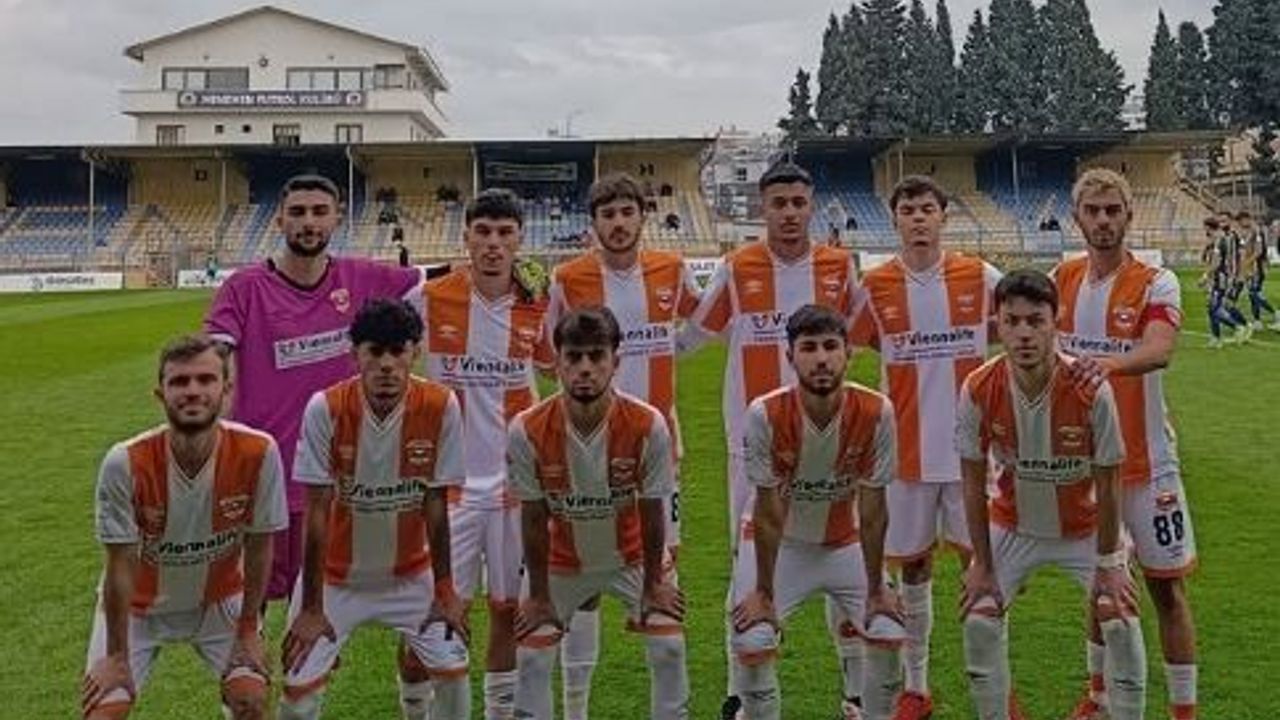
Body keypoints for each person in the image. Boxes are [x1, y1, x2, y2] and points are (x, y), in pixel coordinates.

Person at [686, 160, 862, 720]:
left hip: (832, 444)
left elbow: (869, 333)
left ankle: (855, 693)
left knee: (844, 550)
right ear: (762, 209)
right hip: (753, 445)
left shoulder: (839, 267)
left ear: (812, 207)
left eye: (798, 203)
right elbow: (689, 337)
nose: (789, 213)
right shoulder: (737, 267)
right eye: (778, 203)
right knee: (745, 562)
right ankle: (739, 695)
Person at [203, 174, 422, 605]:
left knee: (317, 608)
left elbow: (431, 280)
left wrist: (516, 276)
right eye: (298, 212)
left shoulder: (359, 276)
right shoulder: (244, 288)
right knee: (246, 606)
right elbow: (214, 357)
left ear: (337, 218)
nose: (309, 222)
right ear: (279, 220)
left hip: (332, 482)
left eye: (320, 212)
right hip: (260, 477)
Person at [544, 172, 702, 719]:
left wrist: (674, 349)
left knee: (661, 569)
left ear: (642, 217)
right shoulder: (568, 278)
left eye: (626, 212)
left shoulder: (673, 269)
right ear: (593, 223)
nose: (618, 223)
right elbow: (548, 351)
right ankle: (576, 709)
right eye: (607, 214)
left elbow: (704, 321)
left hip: (659, 451)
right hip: (584, 451)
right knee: (584, 578)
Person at [957, 269, 1147, 720]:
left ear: (1055, 322)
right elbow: (972, 480)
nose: (1024, 334)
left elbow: (1109, 480)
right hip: (1014, 525)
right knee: (979, 618)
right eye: (1012, 321)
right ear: (998, 325)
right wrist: (981, 563)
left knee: (1120, 618)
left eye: (1035, 321)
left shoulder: (1089, 388)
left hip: (1085, 529)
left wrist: (1109, 564)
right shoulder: (979, 387)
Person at [848, 175, 1002, 719]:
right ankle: (916, 687)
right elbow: (853, 343)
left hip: (971, 456)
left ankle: (997, 689)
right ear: (894, 220)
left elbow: (1021, 324)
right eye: (908, 210)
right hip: (905, 457)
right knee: (913, 570)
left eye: (927, 209)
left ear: (943, 216)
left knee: (983, 569)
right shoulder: (874, 285)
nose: (918, 218)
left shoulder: (981, 276)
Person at [278, 299, 470, 720]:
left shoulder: (441, 405)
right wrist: (311, 608)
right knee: (296, 695)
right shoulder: (325, 408)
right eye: (374, 352)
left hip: (411, 574)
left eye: (397, 351)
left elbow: (436, 504)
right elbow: (316, 513)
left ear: (415, 352)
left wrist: (445, 590)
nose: (386, 364)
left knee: (455, 678)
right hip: (335, 580)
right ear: (355, 354)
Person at [1052, 168, 1197, 720]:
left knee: (1166, 590)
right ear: (1077, 218)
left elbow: (1159, 349)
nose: (1104, 220)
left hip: (1149, 466)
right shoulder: (1061, 279)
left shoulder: (1156, 281)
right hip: (1089, 467)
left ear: (1129, 216)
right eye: (1093, 211)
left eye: (1113, 210)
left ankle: (1183, 712)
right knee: (1101, 582)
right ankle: (1098, 697)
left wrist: (1106, 365)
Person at [82, 335, 287, 720]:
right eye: (179, 381)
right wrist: (116, 656)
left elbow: (260, 546)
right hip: (138, 609)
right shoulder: (124, 462)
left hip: (218, 601)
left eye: (205, 379)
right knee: (104, 711)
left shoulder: (259, 452)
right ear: (160, 394)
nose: (193, 391)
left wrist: (248, 631)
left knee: (251, 700)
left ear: (226, 390)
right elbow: (119, 565)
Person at [413, 188, 554, 720]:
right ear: (466, 237)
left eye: (504, 233)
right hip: (447, 488)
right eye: (483, 232)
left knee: (506, 608)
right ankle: (416, 709)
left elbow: (556, 365)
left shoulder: (537, 301)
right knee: (432, 613)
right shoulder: (430, 297)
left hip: (515, 487)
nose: (493, 244)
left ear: (519, 239)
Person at [508, 307, 687, 720]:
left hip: (633, 558)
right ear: (557, 363)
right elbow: (533, 517)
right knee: (531, 659)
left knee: (669, 649)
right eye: (574, 357)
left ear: (615, 361)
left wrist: (654, 584)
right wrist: (538, 595)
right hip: (560, 563)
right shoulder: (527, 428)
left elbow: (653, 508)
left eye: (596, 356)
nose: (585, 368)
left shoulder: (647, 423)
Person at [729, 304, 903, 720]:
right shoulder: (765, 414)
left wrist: (877, 588)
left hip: (845, 542)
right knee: (752, 640)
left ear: (848, 353)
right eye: (808, 348)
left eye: (830, 346)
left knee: (889, 631)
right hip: (782, 546)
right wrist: (764, 593)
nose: (821, 358)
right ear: (790, 356)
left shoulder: (876, 411)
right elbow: (768, 511)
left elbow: (874, 510)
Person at [1197, 217, 1244, 348]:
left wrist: (1205, 276)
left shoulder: (1219, 240)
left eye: (1205, 227)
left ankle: (1236, 326)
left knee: (1214, 308)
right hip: (1221, 277)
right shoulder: (1222, 238)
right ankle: (1216, 338)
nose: (1204, 230)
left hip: (1220, 278)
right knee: (1211, 308)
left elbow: (1216, 262)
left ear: (1208, 227)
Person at [1237, 211, 1280, 330]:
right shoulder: (1248, 232)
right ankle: (1257, 320)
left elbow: (1258, 251)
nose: (1240, 224)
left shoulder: (1257, 231)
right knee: (1253, 294)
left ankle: (1275, 312)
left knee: (1254, 293)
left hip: (1257, 267)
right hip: (1251, 267)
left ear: (1247, 219)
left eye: (1241, 221)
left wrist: (1247, 263)